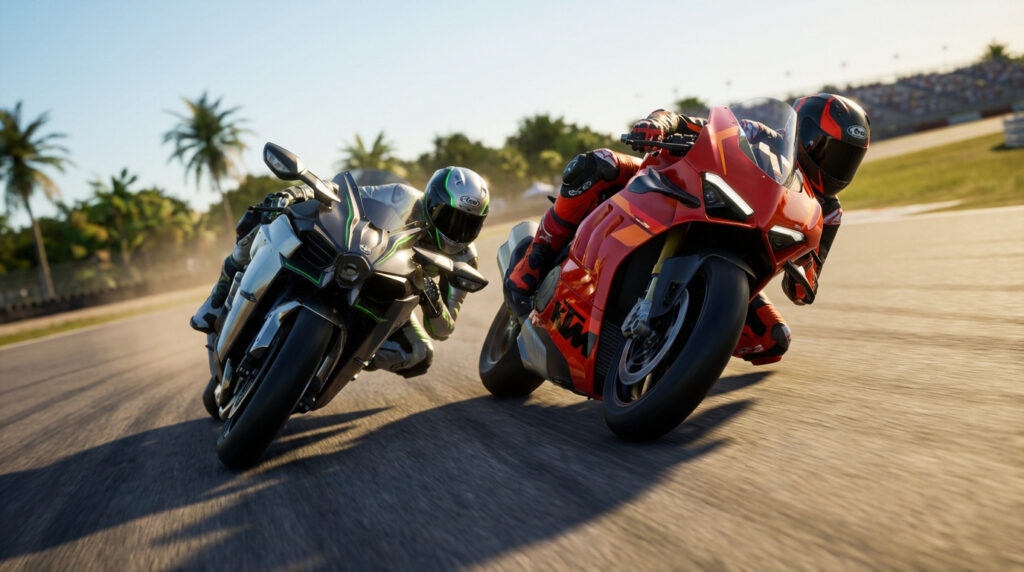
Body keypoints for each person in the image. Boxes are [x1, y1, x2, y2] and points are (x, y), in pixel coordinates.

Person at [506, 93, 870, 365]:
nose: (836, 166)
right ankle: (533, 261)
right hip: (680, 191)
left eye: (847, 158)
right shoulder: (761, 136)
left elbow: (805, 286)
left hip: (739, 253)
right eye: (829, 150)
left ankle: (682, 350)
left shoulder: (828, 213)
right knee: (597, 165)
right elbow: (695, 124)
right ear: (803, 134)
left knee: (773, 341)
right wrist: (662, 125)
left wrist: (802, 269)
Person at [190, 166, 491, 378]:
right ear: (432, 204)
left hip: (393, 299)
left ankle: (349, 362)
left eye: (469, 224)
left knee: (420, 354)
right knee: (261, 218)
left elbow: (443, 330)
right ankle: (217, 298)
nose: (458, 231)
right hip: (358, 257)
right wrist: (294, 194)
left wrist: (433, 299)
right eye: (450, 218)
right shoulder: (402, 196)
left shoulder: (464, 260)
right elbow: (342, 193)